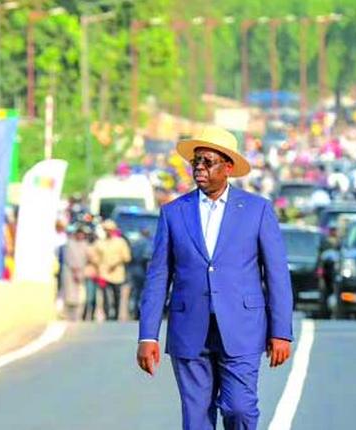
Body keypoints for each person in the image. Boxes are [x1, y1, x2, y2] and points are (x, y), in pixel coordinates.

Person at [136, 126, 293, 430]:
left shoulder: (257, 210)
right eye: (195, 162)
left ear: (228, 167)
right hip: (189, 329)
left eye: (208, 162)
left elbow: (276, 275)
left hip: (243, 329)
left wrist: (281, 331)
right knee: (196, 420)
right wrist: (147, 335)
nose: (199, 169)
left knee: (240, 409)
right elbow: (158, 277)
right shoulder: (173, 212)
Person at [96, 220, 131, 321]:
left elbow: (127, 257)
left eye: (110, 230)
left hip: (117, 274)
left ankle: (115, 315)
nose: (108, 232)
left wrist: (116, 264)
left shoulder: (120, 242)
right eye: (106, 230)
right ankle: (107, 314)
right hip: (104, 273)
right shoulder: (100, 243)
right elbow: (95, 257)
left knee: (117, 295)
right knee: (105, 296)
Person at [63, 227, 90, 321]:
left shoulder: (85, 245)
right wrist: (75, 271)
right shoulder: (69, 244)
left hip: (82, 271)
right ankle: (67, 315)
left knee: (80, 295)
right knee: (69, 294)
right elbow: (69, 258)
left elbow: (88, 258)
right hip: (70, 271)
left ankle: (78, 316)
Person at [127, 228, 154, 321]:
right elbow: (146, 257)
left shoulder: (135, 243)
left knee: (136, 292)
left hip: (134, 270)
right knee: (144, 292)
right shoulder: (147, 243)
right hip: (142, 270)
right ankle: (140, 313)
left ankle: (135, 312)